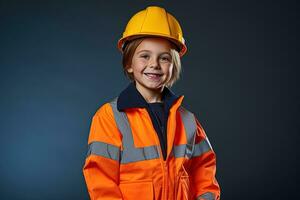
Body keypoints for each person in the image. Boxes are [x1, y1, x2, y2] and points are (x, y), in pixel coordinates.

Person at [83, 6, 220, 200]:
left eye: (164, 58)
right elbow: (101, 180)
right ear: (129, 63)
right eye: (145, 56)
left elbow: (204, 172)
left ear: (173, 66)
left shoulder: (188, 120)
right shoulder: (110, 117)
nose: (154, 64)